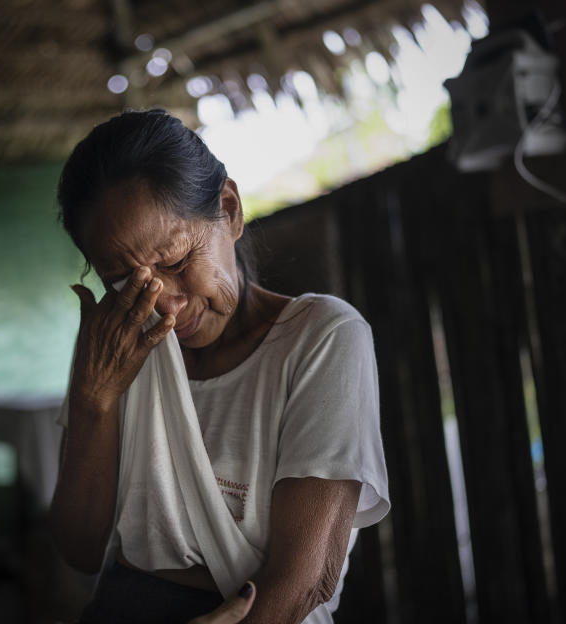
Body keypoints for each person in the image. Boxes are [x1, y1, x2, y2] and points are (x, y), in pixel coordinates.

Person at [49, 109, 389, 624]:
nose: (163, 304)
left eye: (176, 262)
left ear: (229, 210)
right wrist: (94, 399)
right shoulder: (114, 347)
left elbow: (304, 579)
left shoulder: (321, 339)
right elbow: (79, 549)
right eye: (123, 279)